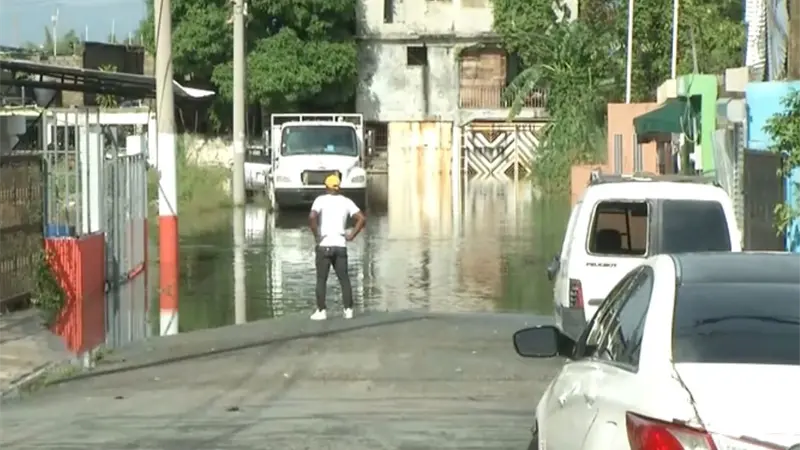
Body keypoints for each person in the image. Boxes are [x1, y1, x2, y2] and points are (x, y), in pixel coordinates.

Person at [308, 174, 366, 320]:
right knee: (344, 279)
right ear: (338, 187)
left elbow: (312, 217)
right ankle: (348, 310)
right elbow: (361, 218)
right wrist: (352, 235)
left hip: (325, 244)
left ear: (326, 187)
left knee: (321, 279)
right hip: (340, 245)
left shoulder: (320, 200)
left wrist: (316, 235)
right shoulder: (346, 202)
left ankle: (321, 311)